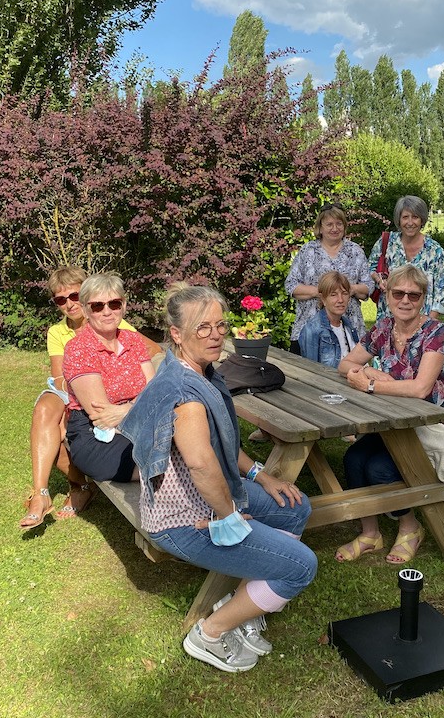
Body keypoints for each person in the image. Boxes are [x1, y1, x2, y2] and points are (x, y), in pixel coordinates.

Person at [119, 284, 316, 673]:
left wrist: (261, 476)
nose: (215, 335)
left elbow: (221, 445)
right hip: (183, 519)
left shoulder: (200, 371)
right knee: (301, 566)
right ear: (176, 334)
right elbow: (201, 465)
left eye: (220, 325)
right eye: (202, 328)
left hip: (212, 497)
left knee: (294, 507)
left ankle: (246, 601)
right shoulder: (186, 394)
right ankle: (209, 634)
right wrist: (228, 517)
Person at [336, 265, 444, 564]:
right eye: (398, 293)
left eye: (414, 294)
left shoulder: (436, 332)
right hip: (397, 425)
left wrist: (369, 385)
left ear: (423, 299)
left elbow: (421, 389)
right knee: (353, 459)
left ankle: (411, 527)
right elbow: (346, 364)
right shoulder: (383, 328)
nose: (405, 300)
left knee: (380, 469)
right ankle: (371, 533)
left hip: (436, 429)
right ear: (388, 296)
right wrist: (367, 369)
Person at [20, 267, 157, 530]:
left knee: (61, 426)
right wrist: (75, 405)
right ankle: (43, 492)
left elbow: (150, 357)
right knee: (46, 413)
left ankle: (78, 487)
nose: (69, 304)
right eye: (61, 300)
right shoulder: (61, 334)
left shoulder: (120, 328)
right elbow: (61, 377)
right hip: (74, 390)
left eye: (73, 296)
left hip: (113, 401)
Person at [62, 274, 158, 484]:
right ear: (86, 310)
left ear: (123, 306)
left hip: (139, 421)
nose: (107, 311)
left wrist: (126, 409)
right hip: (96, 434)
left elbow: (154, 392)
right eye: (97, 306)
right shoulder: (78, 349)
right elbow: (101, 414)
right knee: (163, 461)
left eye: (114, 304)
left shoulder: (133, 340)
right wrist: (145, 407)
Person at [285, 204, 371, 354]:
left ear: (344, 227)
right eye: (329, 224)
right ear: (320, 227)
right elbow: (291, 285)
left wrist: (352, 289)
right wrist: (320, 292)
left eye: (339, 224)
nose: (334, 228)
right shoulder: (308, 250)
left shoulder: (355, 251)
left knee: (351, 373)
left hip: (349, 327)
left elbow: (368, 286)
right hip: (310, 328)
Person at [368, 195, 444, 322]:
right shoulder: (386, 242)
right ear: (398, 220)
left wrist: (427, 325)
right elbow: (370, 269)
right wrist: (379, 280)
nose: (410, 223)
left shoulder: (435, 251)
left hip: (422, 321)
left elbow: (440, 294)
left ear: (422, 220)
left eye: (415, 217)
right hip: (388, 319)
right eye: (405, 217)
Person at [297, 271, 363, 370]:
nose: (340, 300)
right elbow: (311, 371)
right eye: (333, 295)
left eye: (344, 294)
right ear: (323, 299)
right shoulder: (312, 330)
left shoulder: (348, 325)